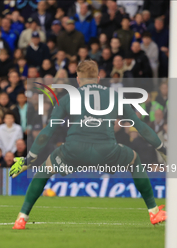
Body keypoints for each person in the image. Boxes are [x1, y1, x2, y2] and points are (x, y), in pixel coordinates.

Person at [10, 60, 167, 230]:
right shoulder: (114, 96)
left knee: (44, 170)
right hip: (107, 151)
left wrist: (28, 160)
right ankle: (153, 211)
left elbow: (48, 132)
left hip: (73, 150)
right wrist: (162, 149)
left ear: (78, 79)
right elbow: (140, 125)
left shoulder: (68, 97)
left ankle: (21, 218)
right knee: (134, 160)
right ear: (98, 78)